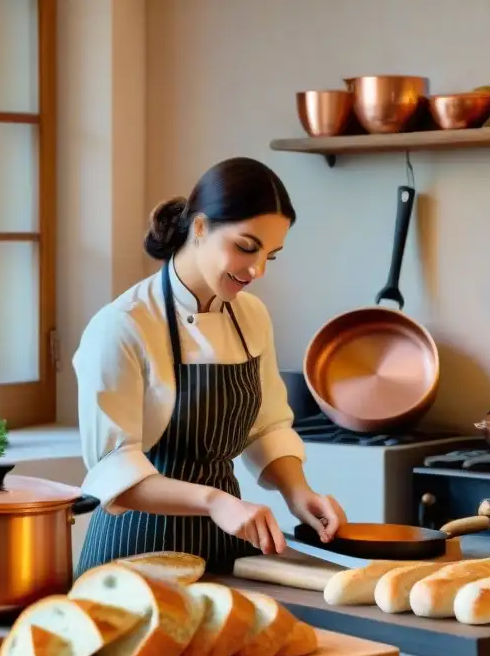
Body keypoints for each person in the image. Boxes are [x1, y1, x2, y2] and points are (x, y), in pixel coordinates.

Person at [73, 156, 346, 577]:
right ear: (200, 228)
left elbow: (267, 426)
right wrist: (215, 501)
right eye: (246, 247)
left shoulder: (251, 315)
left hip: (224, 548)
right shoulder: (122, 326)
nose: (256, 270)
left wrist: (298, 493)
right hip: (135, 556)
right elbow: (114, 472)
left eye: (270, 256)